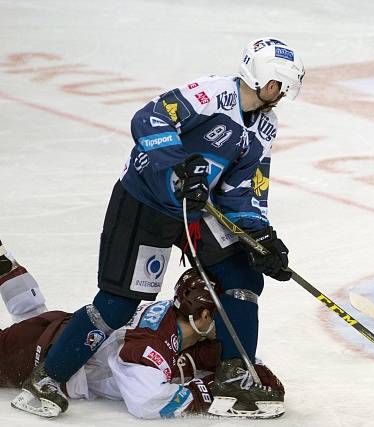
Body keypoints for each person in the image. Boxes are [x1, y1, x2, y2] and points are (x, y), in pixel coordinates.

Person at [13, 37, 305, 417]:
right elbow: (149, 118)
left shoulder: (264, 126)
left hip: (195, 211)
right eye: (280, 85)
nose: (281, 94)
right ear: (268, 82)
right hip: (146, 203)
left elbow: (242, 191)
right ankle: (47, 380)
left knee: (243, 275)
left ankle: (235, 380)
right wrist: (178, 166)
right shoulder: (213, 95)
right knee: (118, 305)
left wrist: (260, 237)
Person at [3, 267, 285, 419]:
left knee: (30, 316)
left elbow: (206, 358)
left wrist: (246, 371)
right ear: (203, 315)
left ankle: (9, 271)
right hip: (31, 351)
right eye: (228, 316)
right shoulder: (150, 343)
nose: (235, 324)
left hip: (57, 328)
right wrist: (211, 391)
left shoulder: (180, 323)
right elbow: (148, 402)